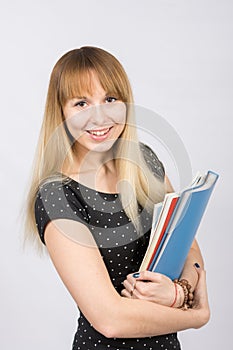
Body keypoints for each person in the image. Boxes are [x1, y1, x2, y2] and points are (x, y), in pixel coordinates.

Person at [25, 46, 210, 350]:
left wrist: (178, 293)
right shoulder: (57, 196)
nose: (100, 117)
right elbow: (110, 320)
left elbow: (189, 248)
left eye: (110, 99)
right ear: (60, 112)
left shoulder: (145, 161)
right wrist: (196, 315)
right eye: (81, 103)